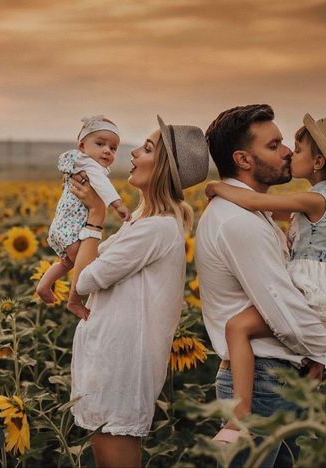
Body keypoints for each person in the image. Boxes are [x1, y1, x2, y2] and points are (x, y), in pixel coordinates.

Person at [205, 113, 326, 439]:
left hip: (311, 295)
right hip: (305, 319)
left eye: (295, 147)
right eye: (276, 145)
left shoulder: (313, 198)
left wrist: (217, 187)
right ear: (243, 159)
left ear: (318, 161)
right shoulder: (323, 200)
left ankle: (239, 416)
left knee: (237, 327)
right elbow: (267, 209)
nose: (289, 153)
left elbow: (255, 202)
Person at [67, 116, 209, 467]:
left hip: (121, 368)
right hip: (110, 362)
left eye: (147, 148)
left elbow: (83, 279)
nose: (131, 152)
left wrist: (96, 214)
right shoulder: (144, 223)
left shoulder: (156, 229)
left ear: (163, 168)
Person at [36, 115, 131, 320]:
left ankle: (44, 284)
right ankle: (74, 301)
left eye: (113, 148)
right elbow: (104, 187)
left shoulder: (77, 164)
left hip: (61, 228)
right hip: (72, 229)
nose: (107, 150)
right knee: (85, 264)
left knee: (67, 263)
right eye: (100, 144)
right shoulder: (90, 166)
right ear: (82, 146)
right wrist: (118, 205)